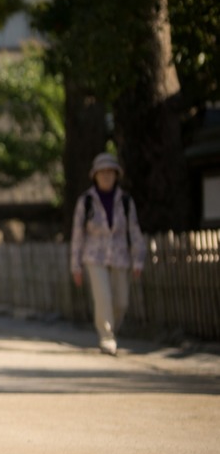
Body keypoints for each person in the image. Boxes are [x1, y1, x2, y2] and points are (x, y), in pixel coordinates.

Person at [70, 152, 145, 356]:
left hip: (120, 256)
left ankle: (112, 330)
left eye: (109, 172)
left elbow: (134, 231)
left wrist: (138, 259)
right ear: (95, 175)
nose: (106, 176)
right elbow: (78, 234)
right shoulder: (86, 201)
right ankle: (106, 337)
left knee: (121, 301)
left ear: (115, 175)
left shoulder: (126, 201)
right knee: (103, 297)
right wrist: (75, 265)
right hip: (94, 257)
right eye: (102, 172)